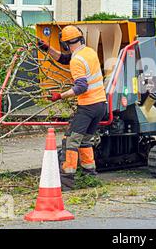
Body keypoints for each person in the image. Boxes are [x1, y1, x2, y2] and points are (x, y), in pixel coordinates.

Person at [38, 25, 107, 191]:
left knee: (70, 141)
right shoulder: (88, 52)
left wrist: (59, 95)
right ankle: (90, 178)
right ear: (80, 38)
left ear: (66, 44)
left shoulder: (77, 60)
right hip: (100, 105)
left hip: (88, 106)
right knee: (85, 141)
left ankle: (67, 182)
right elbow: (64, 58)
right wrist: (48, 49)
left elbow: (81, 87)